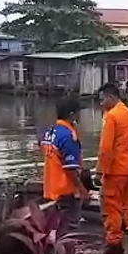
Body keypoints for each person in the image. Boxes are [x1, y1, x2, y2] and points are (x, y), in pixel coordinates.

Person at [97, 83, 128, 254]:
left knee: (112, 207)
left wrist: (99, 170)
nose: (101, 103)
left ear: (111, 97)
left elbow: (105, 147)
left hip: (115, 170)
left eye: (102, 99)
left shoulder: (111, 116)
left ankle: (114, 244)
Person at [40, 97, 89, 236]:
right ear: (72, 114)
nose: (80, 115)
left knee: (54, 226)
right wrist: (82, 190)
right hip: (66, 192)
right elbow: (70, 169)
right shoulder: (68, 136)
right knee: (69, 230)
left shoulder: (49, 133)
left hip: (50, 189)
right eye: (78, 112)